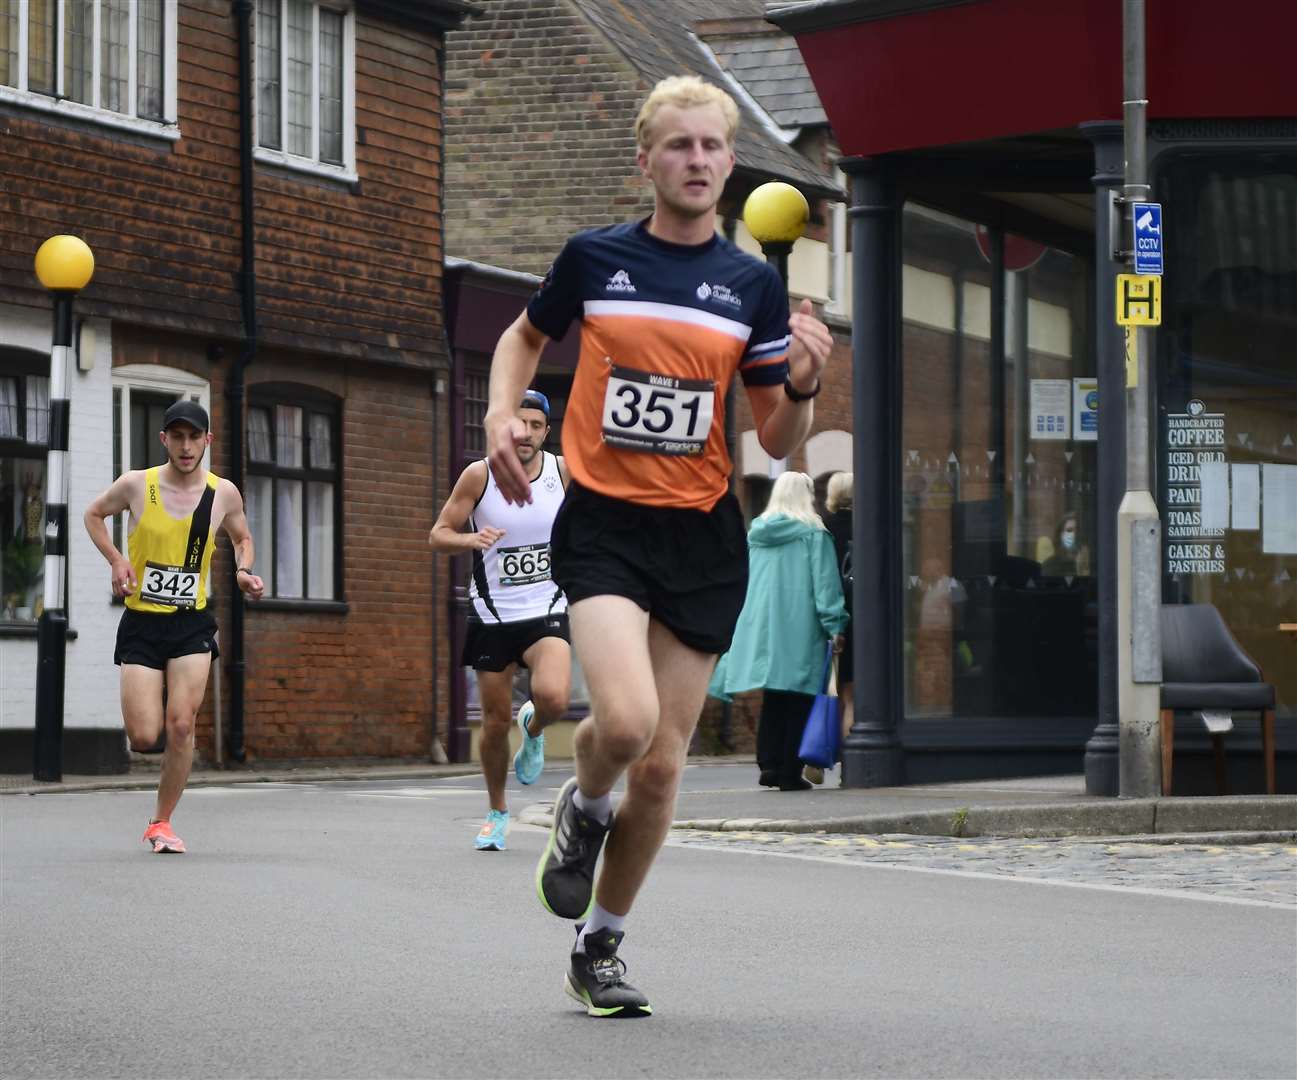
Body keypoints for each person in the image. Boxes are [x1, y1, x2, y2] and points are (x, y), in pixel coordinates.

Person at [483, 74, 835, 1018]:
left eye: (711, 148)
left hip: (703, 534)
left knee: (668, 764)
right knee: (627, 726)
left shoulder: (752, 286)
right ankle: (584, 806)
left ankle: (598, 945)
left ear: (728, 164)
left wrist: (802, 382)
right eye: (677, 145)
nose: (695, 161)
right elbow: (521, 339)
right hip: (605, 524)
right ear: (645, 160)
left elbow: (776, 437)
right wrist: (494, 414)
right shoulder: (595, 259)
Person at [83, 401, 264, 853]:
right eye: (177, 437)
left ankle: (161, 822)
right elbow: (92, 515)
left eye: (194, 437)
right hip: (143, 622)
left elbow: (242, 537)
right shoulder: (135, 485)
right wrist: (117, 558)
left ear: (208, 440)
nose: (186, 446)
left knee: (181, 725)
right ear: (164, 440)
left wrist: (243, 571)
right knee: (145, 735)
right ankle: (153, 700)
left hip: (191, 623)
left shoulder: (223, 494)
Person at [428, 390, 572, 852]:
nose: (526, 433)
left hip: (547, 605)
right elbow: (438, 534)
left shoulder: (563, 472)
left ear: (546, 432)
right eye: (519, 424)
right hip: (492, 613)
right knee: (492, 724)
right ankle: (496, 811)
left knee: (552, 697)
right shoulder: (480, 475)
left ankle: (533, 727)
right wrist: (470, 542)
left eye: (536, 425)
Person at [709, 472, 847, 790]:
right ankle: (788, 771)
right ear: (805, 496)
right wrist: (835, 623)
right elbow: (824, 585)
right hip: (800, 627)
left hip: (760, 626)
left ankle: (768, 765)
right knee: (798, 698)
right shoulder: (814, 535)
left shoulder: (756, 535)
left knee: (773, 697)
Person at [821, 470, 855, 775]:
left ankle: (824, 754)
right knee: (852, 695)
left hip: (832, 617)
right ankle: (852, 762)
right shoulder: (867, 525)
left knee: (831, 690)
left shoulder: (824, 528)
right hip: (863, 616)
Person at [1041, 511, 1091, 577]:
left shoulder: (1091, 562)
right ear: (1061, 536)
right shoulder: (1050, 566)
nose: (1074, 534)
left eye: (1078, 530)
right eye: (1069, 530)